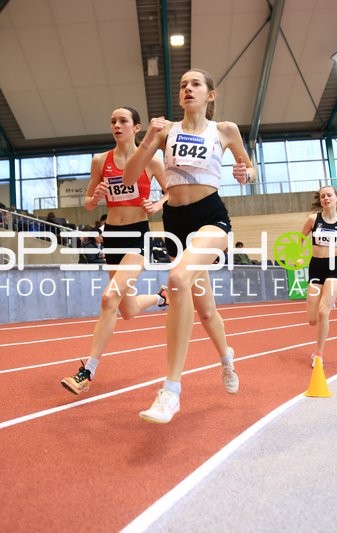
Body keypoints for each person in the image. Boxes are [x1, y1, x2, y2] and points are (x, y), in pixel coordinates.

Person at [122, 69, 256, 424]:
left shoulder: (224, 130)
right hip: (174, 223)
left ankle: (170, 390)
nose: (187, 88)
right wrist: (148, 137)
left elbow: (249, 168)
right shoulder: (165, 131)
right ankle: (227, 357)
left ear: (210, 95)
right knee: (206, 310)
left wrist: (245, 174)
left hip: (211, 217)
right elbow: (129, 177)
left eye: (195, 84)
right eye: (182, 84)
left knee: (178, 281)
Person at [60, 107, 170, 394]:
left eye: (123, 121)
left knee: (109, 298)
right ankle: (161, 297)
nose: (117, 125)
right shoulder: (100, 160)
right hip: (113, 237)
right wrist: (94, 197)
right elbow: (87, 202)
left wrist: (157, 204)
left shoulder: (152, 161)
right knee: (128, 309)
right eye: (113, 121)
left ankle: (87, 372)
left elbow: (171, 191)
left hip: (138, 238)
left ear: (136, 128)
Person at [300, 186, 337, 369]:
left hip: (334, 267)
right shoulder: (312, 219)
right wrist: (299, 254)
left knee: (323, 312)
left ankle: (318, 354)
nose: (325, 198)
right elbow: (299, 239)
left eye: (329, 195)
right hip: (316, 267)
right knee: (312, 318)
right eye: (322, 196)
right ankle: (328, 299)